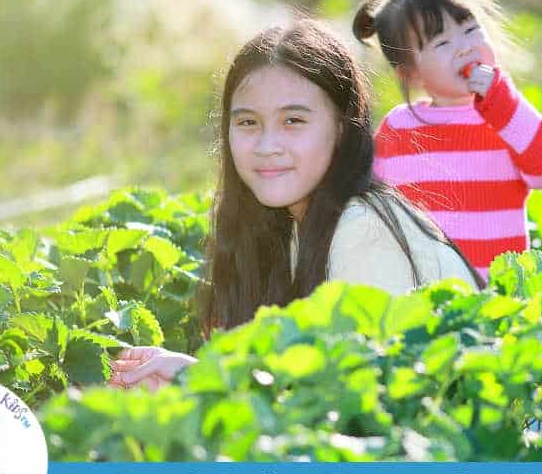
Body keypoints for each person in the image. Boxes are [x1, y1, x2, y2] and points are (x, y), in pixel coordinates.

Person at [110, 19, 480, 390]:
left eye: (293, 120)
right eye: (249, 123)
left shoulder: (362, 230)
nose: (267, 145)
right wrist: (191, 378)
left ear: (341, 127)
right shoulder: (295, 227)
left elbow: (360, 407)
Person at [352, 0, 542, 282]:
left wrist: (502, 102)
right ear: (410, 73)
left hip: (499, 298)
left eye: (471, 29)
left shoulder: (507, 119)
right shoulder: (399, 127)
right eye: (442, 42)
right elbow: (372, 205)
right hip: (424, 294)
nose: (465, 47)